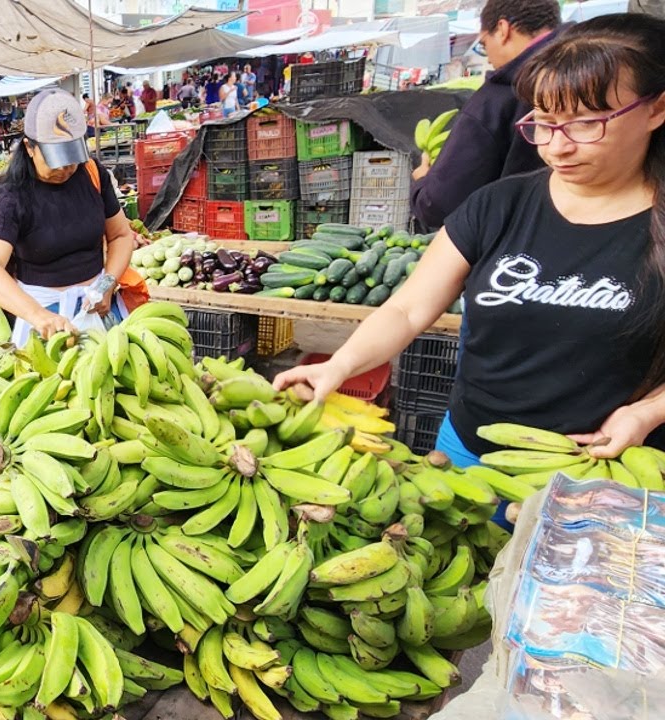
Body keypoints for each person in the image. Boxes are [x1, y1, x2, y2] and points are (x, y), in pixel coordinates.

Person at [273, 14, 665, 492]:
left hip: (603, 471)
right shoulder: (499, 204)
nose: (557, 147)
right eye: (543, 123)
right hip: (467, 454)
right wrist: (338, 365)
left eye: (585, 124)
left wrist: (647, 413)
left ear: (655, 109)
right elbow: (407, 308)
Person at [0, 89, 137, 345]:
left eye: (72, 159)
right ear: (29, 148)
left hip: (99, 307)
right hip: (43, 318)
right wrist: (38, 316)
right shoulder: (13, 198)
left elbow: (121, 235)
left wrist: (107, 284)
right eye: (56, 160)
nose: (66, 169)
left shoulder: (93, 175)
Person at [410, 0, 563, 232]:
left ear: (502, 30)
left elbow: (439, 205)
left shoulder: (497, 98)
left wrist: (422, 183)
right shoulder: (597, 65)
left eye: (484, 44)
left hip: (514, 240)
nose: (488, 57)